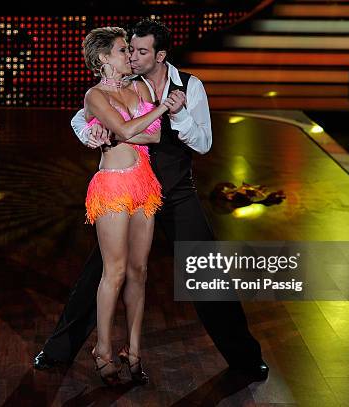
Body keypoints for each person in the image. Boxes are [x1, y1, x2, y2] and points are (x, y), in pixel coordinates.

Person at [34, 18, 269, 383]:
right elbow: (81, 119)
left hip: (175, 192)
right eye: (129, 48)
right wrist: (93, 134)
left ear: (160, 55)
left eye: (141, 51)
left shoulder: (190, 86)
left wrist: (178, 114)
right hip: (128, 192)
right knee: (100, 273)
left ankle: (245, 359)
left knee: (206, 271)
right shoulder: (124, 84)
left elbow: (203, 143)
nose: (134, 56)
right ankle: (59, 351)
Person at [75, 26, 172, 386]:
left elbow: (156, 134)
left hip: (144, 183)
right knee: (113, 272)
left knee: (139, 271)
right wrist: (152, 113)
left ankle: (133, 352)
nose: (129, 56)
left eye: (130, 50)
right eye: (121, 50)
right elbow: (130, 130)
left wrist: (126, 130)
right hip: (113, 184)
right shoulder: (94, 95)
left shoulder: (138, 87)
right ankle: (103, 348)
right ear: (103, 58)